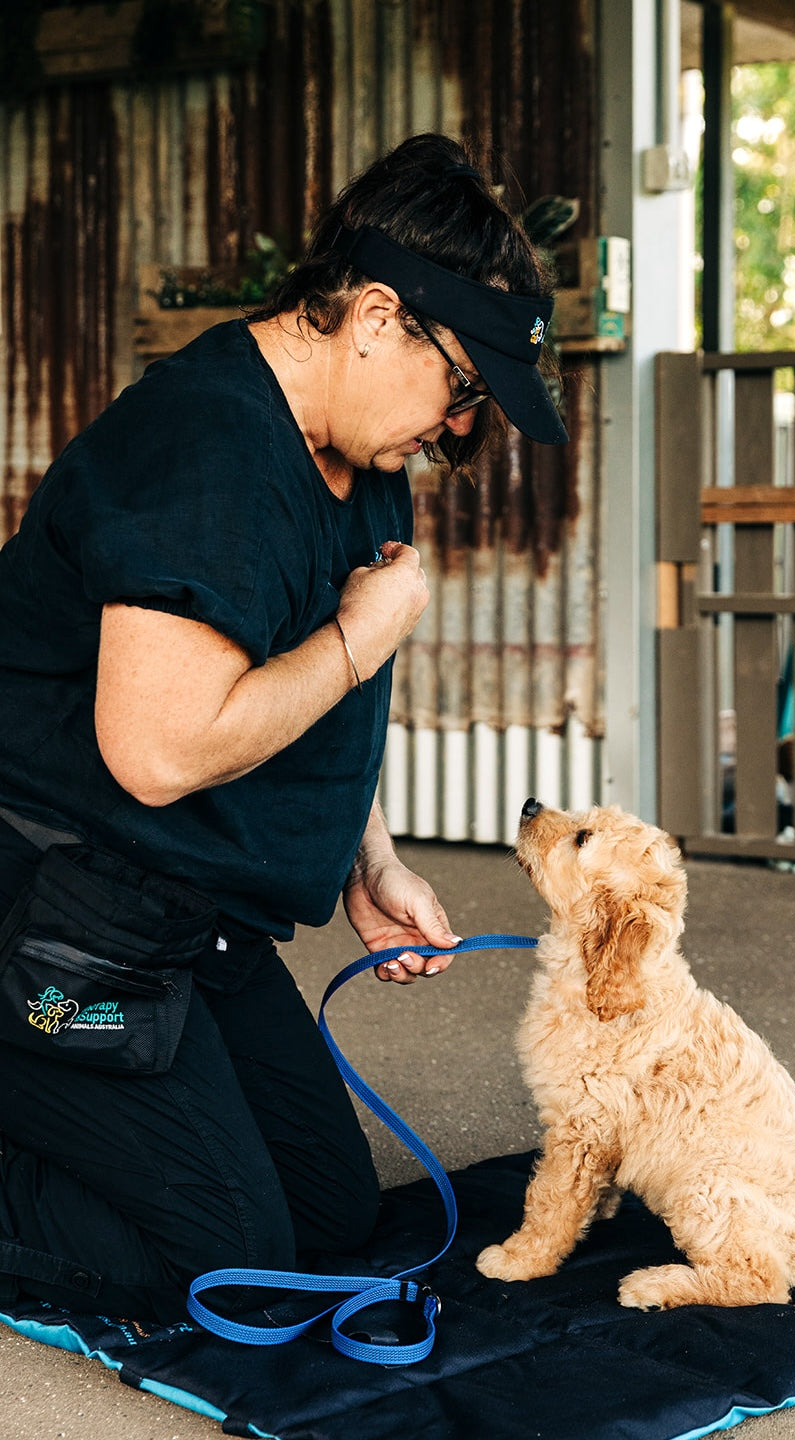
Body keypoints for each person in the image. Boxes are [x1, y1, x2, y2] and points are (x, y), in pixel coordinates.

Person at [0, 132, 567, 1324]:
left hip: (180, 914)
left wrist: (372, 862)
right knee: (223, 1268)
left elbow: (310, 684)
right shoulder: (205, 449)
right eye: (464, 390)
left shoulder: (358, 445)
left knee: (329, 1224)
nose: (462, 430)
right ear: (373, 318)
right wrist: (367, 633)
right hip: (50, 916)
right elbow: (157, 753)